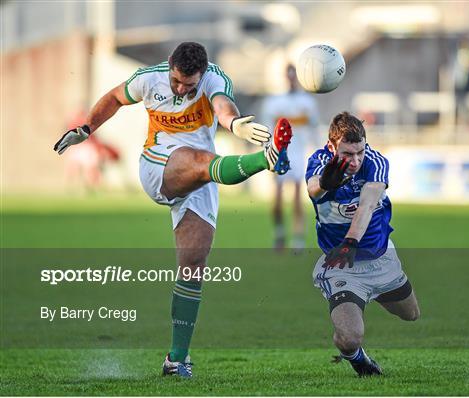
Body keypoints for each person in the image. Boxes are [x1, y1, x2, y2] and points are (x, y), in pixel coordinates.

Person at [53, 42, 293, 378]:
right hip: (159, 165)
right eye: (177, 81)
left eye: (189, 85)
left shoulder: (213, 80)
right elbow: (114, 98)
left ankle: (176, 360)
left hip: (202, 178)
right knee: (200, 161)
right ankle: (265, 159)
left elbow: (223, 106)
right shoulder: (148, 79)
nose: (181, 88)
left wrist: (236, 125)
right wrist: (86, 128)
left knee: (193, 265)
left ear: (203, 74)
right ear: (169, 65)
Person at [305, 112, 420, 376]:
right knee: (349, 338)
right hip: (340, 264)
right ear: (332, 146)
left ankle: (367, 295)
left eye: (360, 152)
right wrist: (324, 183)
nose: (355, 161)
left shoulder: (376, 162)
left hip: (380, 259)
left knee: (411, 314)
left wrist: (350, 241)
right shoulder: (320, 161)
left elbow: (367, 204)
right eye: (347, 154)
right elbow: (312, 188)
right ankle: (359, 360)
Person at [261, 64, 319, 249]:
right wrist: (268, 150)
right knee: (277, 199)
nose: (291, 78)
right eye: (289, 75)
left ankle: (298, 237)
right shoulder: (275, 102)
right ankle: (279, 232)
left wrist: (319, 151)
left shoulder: (307, 102)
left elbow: (314, 127)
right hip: (281, 152)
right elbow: (268, 128)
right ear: (285, 76)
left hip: (298, 152)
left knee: (297, 195)